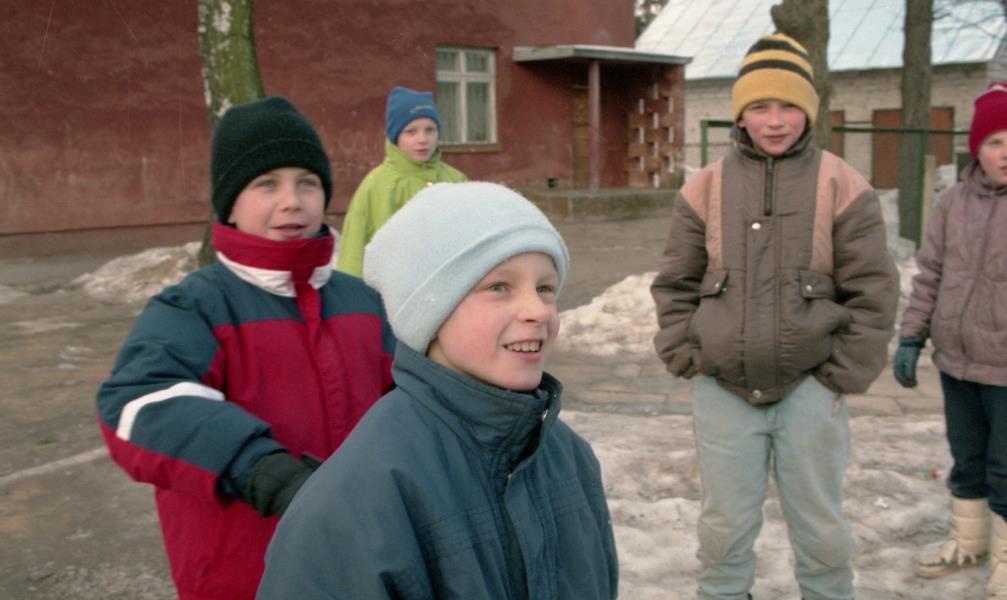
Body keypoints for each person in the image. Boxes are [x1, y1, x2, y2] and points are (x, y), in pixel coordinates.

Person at [95, 96, 396, 600]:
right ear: (230, 204)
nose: (292, 201)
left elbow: (414, 399)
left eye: (307, 182)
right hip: (244, 572)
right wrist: (257, 468)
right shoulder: (196, 305)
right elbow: (137, 403)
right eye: (266, 184)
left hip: (363, 556)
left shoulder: (364, 303)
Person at [257, 182, 619, 599]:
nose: (537, 310)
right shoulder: (358, 499)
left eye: (545, 288)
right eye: (499, 287)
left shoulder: (570, 457)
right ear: (429, 311)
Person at [651, 33, 899, 600]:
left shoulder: (842, 184)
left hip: (811, 388)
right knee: (723, 529)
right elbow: (675, 283)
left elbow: (873, 290)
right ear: (740, 113)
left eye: (788, 105)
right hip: (722, 390)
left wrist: (840, 374)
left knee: (821, 530)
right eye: (760, 106)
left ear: (808, 110)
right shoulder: (703, 188)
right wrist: (689, 355)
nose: (775, 120)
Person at [895, 81, 1007, 597]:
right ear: (976, 147)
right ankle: (970, 541)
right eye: (995, 142)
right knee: (967, 457)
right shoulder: (952, 203)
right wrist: (911, 337)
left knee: (1005, 466)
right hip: (958, 361)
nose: (1005, 153)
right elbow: (931, 274)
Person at [336, 85, 467, 277]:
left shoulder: (456, 180)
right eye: (411, 131)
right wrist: (351, 291)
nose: (423, 139)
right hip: (392, 288)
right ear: (396, 136)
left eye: (430, 130)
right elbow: (353, 252)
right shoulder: (376, 185)